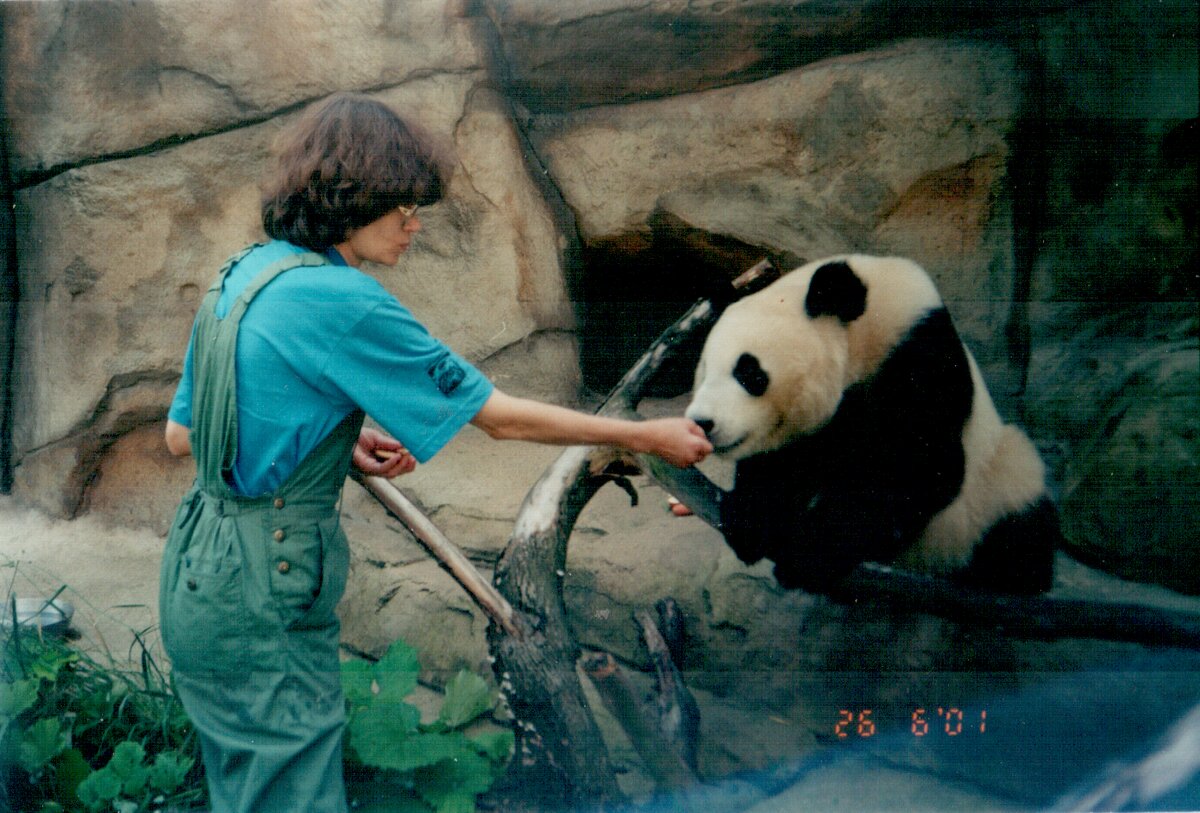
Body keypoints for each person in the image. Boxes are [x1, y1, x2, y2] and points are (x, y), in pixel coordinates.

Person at [160, 92, 711, 813]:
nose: (415, 223)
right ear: (353, 200)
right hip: (269, 574)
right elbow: (501, 420)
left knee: (249, 790)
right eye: (403, 207)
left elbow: (185, 436)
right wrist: (644, 434)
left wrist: (332, 435)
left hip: (199, 573)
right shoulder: (342, 300)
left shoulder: (244, 276)